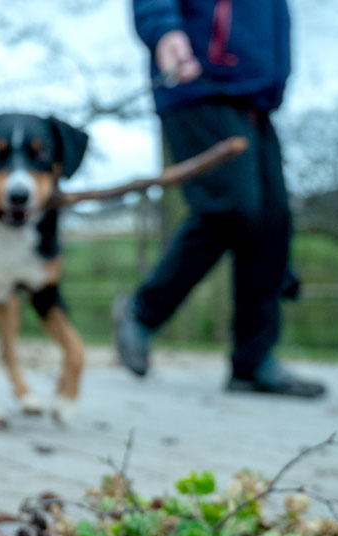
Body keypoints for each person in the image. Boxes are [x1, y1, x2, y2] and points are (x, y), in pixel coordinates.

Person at [116, 0, 325, 398]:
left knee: (272, 220)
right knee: (230, 207)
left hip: (255, 98)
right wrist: (164, 29)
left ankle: (253, 361)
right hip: (198, 83)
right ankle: (142, 312)